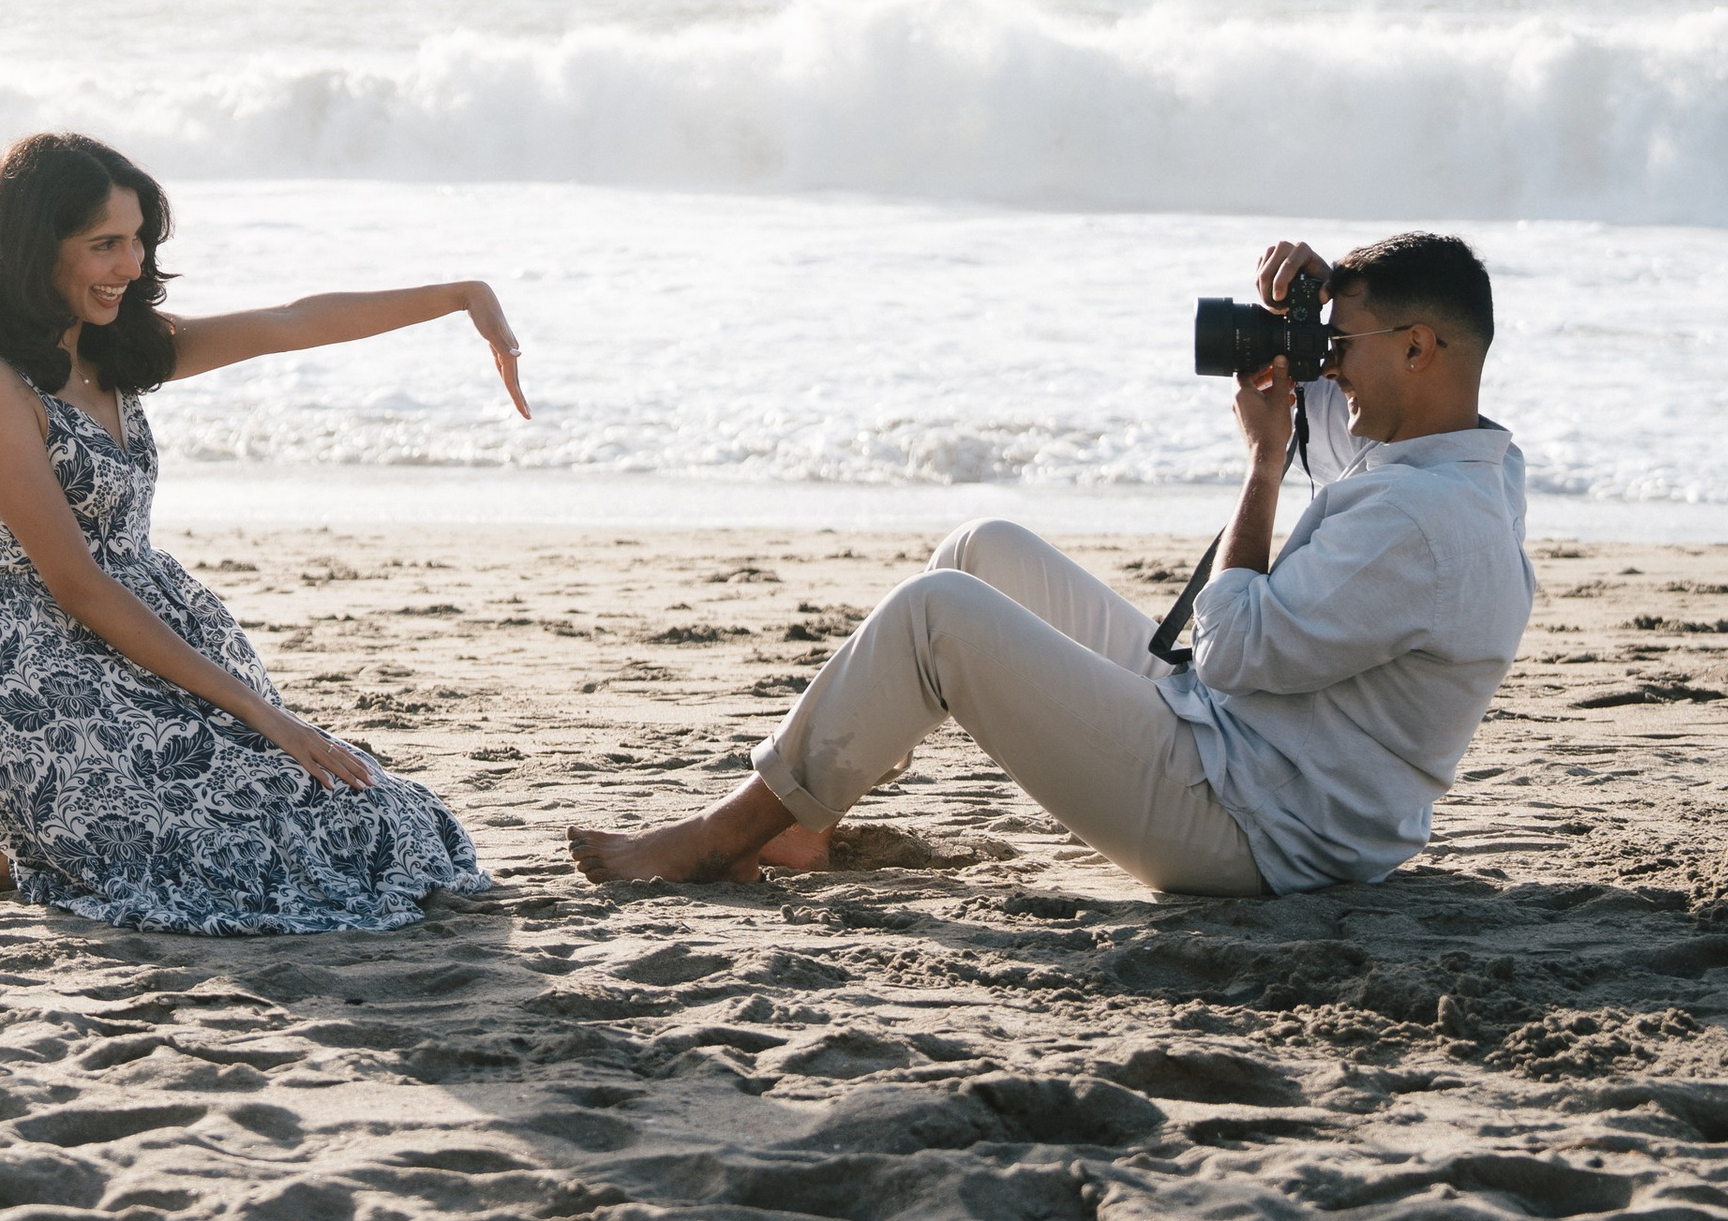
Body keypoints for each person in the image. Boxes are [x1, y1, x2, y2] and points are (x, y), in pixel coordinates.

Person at [568, 230, 1535, 902]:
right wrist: (1323, 312)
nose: (1330, 365)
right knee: (985, 552)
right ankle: (801, 822)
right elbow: (1351, 436)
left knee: (936, 614)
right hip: (1253, 749)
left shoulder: (1420, 521)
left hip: (1255, 828)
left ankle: (719, 840)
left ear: (1416, 348)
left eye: (1344, 347)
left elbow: (1235, 648)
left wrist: (1260, 460)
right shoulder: (1463, 465)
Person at [0, 129, 525, 932]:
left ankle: (57, 846)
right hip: (53, 688)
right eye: (105, 244)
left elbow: (290, 321)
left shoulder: (114, 351)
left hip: (161, 653)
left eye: (138, 240)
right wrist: (268, 715)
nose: (132, 265)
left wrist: (457, 296)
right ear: (38, 247)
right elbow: (76, 584)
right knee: (261, 854)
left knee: (384, 819)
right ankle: (49, 837)